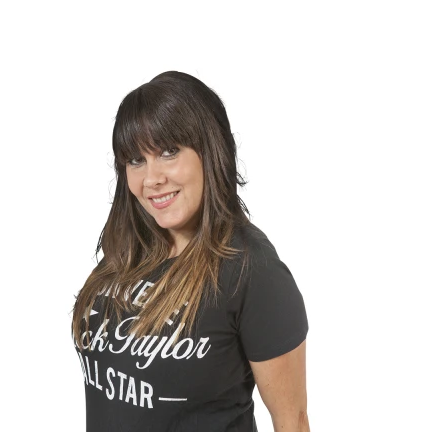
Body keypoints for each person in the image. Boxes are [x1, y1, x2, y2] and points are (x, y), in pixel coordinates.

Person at [70, 71, 310, 432]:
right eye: (136, 160)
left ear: (210, 152)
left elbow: (292, 421)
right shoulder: (128, 254)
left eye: (169, 152)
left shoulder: (251, 269)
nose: (152, 178)